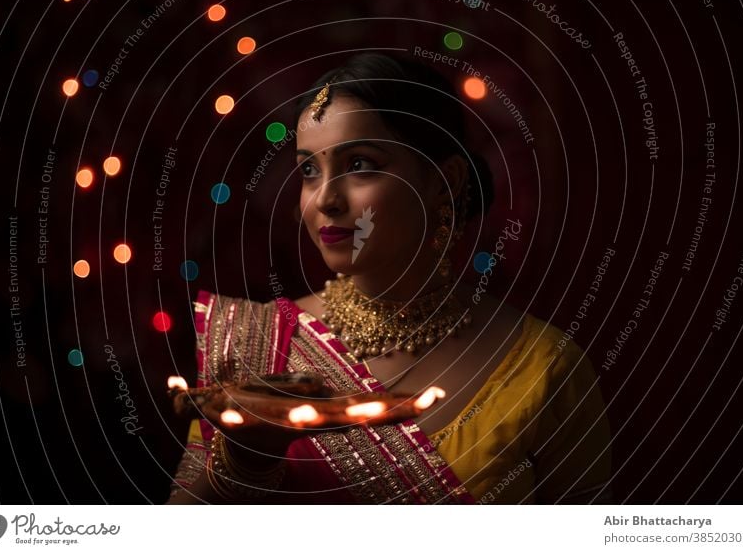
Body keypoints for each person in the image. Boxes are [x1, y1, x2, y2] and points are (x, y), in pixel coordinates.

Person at [167, 52, 612, 504]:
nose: (326, 199)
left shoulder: (542, 367)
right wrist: (248, 460)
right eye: (308, 169)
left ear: (444, 179)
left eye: (359, 164)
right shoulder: (252, 344)